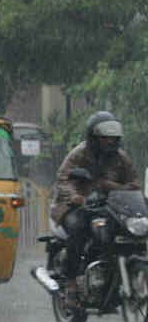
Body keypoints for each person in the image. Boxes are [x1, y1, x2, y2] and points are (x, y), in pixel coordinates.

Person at [50, 111, 140, 305]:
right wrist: (75, 197)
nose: (111, 140)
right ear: (93, 136)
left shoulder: (121, 158)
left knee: (127, 232)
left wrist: (115, 188)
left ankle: (110, 272)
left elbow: (134, 183)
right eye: (105, 136)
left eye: (114, 135)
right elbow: (64, 179)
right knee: (78, 229)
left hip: (108, 206)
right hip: (72, 206)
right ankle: (72, 284)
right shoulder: (79, 154)